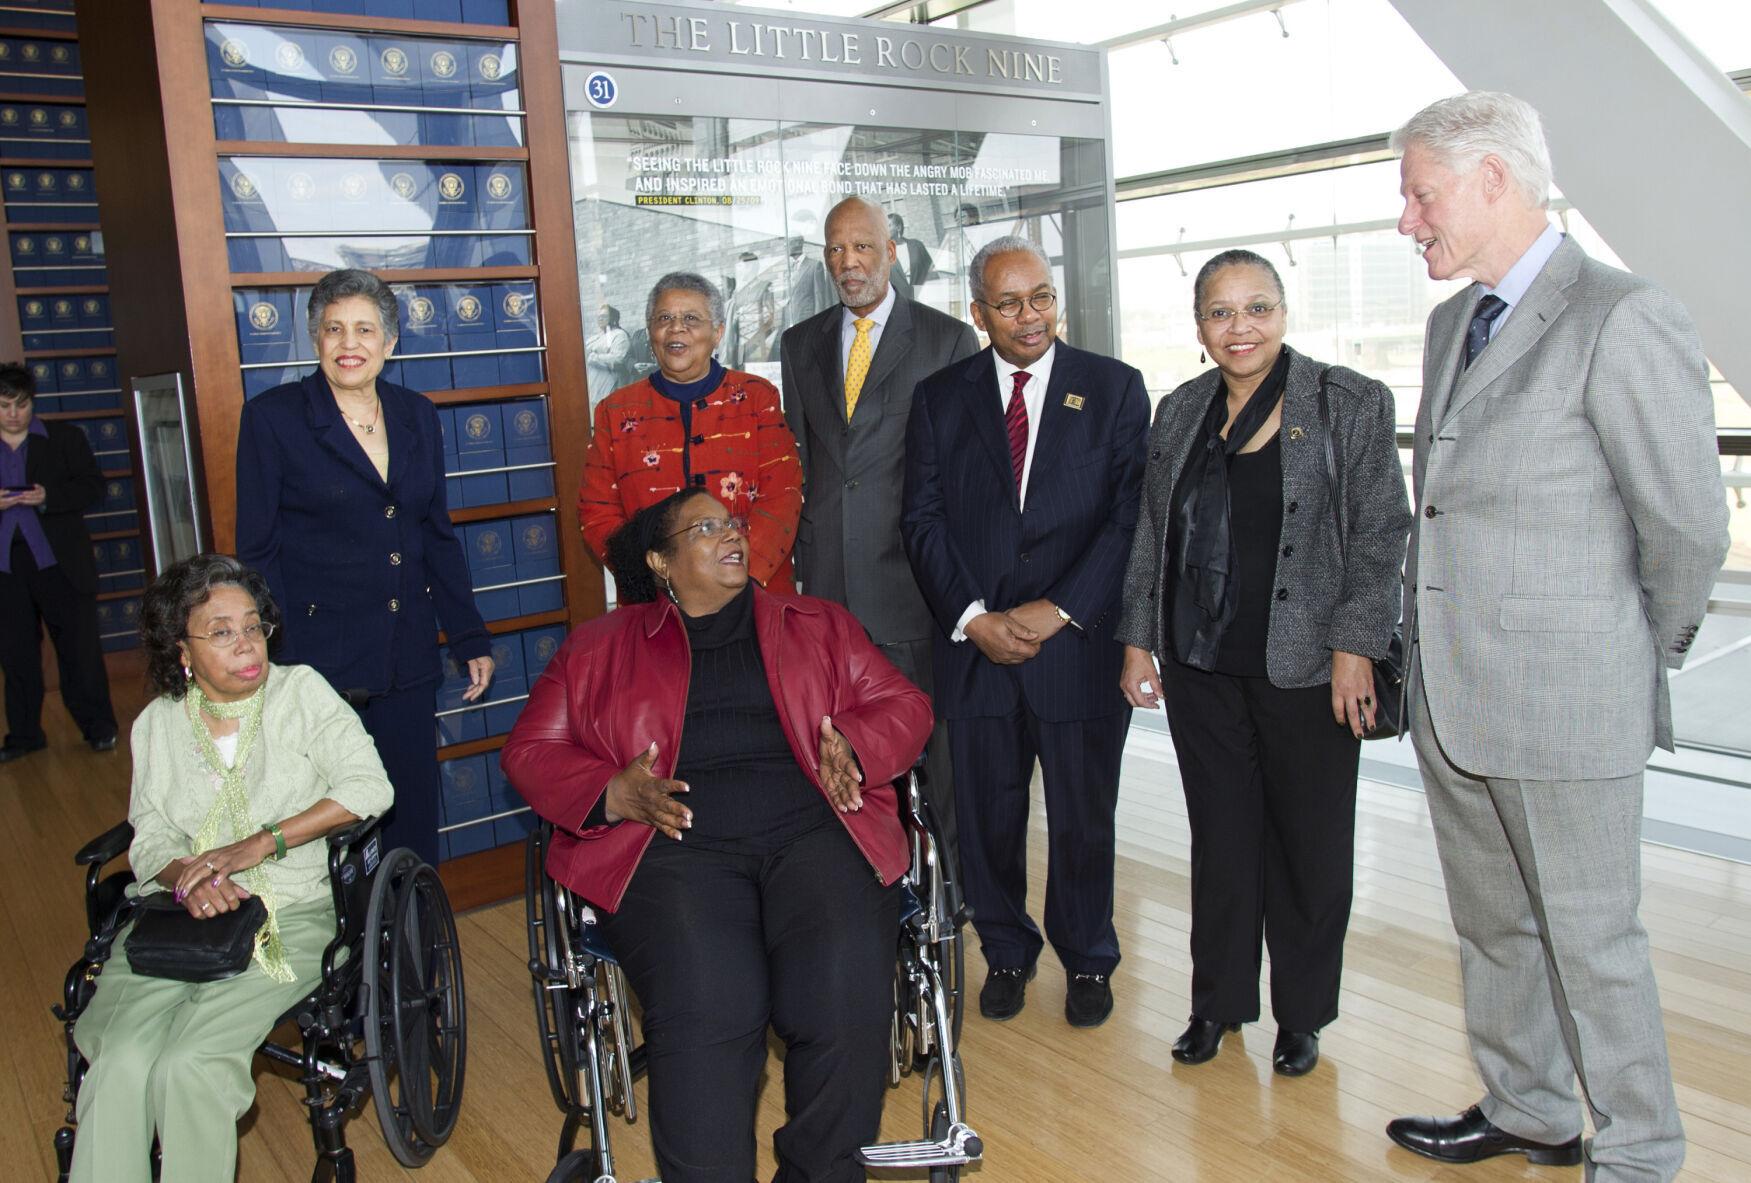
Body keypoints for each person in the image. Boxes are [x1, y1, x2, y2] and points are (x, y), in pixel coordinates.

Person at [1384, 92, 1727, 1180]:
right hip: (1454, 700)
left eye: (1417, 193)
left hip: (1564, 701)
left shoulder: (1620, 317)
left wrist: (1632, 655)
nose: (1405, 220)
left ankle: (1639, 1153)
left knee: (1594, 948)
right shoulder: (1453, 324)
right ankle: (1528, 1106)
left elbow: (1683, 525)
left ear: (1491, 180)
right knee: (1492, 933)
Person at [503, 489, 932, 1183]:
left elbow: (903, 704)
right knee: (711, 1006)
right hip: (671, 850)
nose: (731, 533)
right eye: (704, 527)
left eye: (732, 522)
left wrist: (853, 743)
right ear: (659, 559)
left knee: (839, 995)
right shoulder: (597, 647)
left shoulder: (816, 622)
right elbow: (530, 750)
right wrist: (610, 791)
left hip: (815, 834)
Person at [1114, 249, 1411, 1076]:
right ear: (1199, 324)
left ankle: (1302, 1015)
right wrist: (1138, 636)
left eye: (1255, 308)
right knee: (1221, 839)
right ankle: (1217, 1004)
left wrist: (1357, 645)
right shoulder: (1178, 411)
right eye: (1220, 311)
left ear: (1281, 313)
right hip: (1203, 665)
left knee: (1310, 847)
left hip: (1312, 666)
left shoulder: (1347, 400)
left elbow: (1383, 531)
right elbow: (1152, 535)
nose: (1237, 327)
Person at [69, 553, 392, 1183]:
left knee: (191, 1060)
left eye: (254, 626)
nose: (246, 645)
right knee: (123, 1056)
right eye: (220, 632)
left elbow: (369, 785)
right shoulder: (158, 725)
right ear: (180, 649)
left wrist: (257, 844)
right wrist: (186, 875)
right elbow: (152, 829)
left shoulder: (299, 693)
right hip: (185, 916)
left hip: (293, 912)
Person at [901, 235, 1148, 1028]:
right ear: (978, 313)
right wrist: (973, 619)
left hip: (1074, 646)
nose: (1028, 315)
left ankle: (1087, 957)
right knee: (985, 818)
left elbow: (1127, 518)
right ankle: (1005, 948)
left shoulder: (1112, 388)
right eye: (1008, 303)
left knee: (1082, 816)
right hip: (977, 651)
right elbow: (923, 520)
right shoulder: (940, 398)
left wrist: (1061, 606)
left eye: (1040, 296)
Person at [235, 268, 493, 867]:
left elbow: (436, 533)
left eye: (364, 330)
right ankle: (347, 958)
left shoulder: (416, 414)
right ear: (315, 339)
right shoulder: (273, 419)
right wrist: (274, 659)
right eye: (334, 329)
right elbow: (257, 551)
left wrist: (468, 633)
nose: (349, 344)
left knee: (410, 821)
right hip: (318, 660)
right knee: (333, 826)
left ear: (390, 343)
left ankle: (411, 949)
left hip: (406, 656)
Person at [781, 194, 978, 865]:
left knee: (931, 746)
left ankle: (947, 884)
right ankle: (867, 876)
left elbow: (963, 474)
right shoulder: (799, 343)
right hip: (828, 588)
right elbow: (803, 463)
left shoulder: (944, 339)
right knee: (840, 744)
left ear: (891, 251)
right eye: (835, 248)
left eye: (861, 246)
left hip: (911, 583)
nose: (848, 261)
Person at [579, 271, 802, 597]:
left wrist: (739, 578)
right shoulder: (614, 412)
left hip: (752, 599)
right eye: (664, 317)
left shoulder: (758, 398)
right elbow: (597, 510)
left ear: (718, 332)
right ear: (650, 332)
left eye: (692, 318)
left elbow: (783, 495)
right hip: (657, 605)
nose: (676, 328)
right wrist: (657, 577)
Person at [0, 361, 116, 761]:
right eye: (4, 405)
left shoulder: (64, 438)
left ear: (33, 403)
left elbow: (93, 487)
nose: (14, 413)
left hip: (59, 562)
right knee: (15, 654)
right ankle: (24, 736)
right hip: (6, 569)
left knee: (80, 650)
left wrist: (47, 497)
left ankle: (99, 728)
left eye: (22, 404)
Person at [585, 304, 632, 407]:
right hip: (593, 384)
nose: (600, 318)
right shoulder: (595, 338)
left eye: (604, 316)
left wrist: (593, 357)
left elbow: (618, 358)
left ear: (613, 318)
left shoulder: (620, 335)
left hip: (609, 383)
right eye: (599, 316)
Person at [888, 212, 935, 289]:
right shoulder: (883, 254)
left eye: (889, 225)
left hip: (921, 295)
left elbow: (931, 271)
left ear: (899, 227)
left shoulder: (917, 245)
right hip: (900, 298)